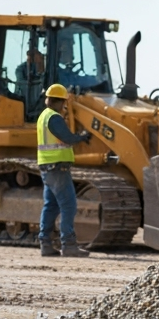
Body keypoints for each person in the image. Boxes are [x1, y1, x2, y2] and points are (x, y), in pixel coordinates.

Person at [37, 84, 93, 257]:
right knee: (69, 206)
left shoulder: (43, 116)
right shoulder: (54, 118)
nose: (64, 107)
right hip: (57, 168)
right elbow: (66, 137)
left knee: (51, 206)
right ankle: (68, 245)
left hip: (47, 167)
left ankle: (45, 243)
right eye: (63, 103)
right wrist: (83, 137)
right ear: (59, 101)